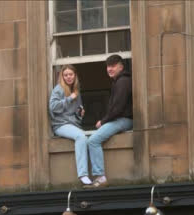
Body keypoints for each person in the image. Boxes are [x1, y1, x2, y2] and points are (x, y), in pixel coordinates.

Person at [86, 55, 133, 188]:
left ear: (121, 67)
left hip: (124, 120)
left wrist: (103, 121)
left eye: (113, 65)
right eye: (108, 66)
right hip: (123, 119)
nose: (109, 68)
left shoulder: (123, 81)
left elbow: (118, 108)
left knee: (93, 140)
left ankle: (100, 177)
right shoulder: (119, 81)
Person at [49, 65, 92, 186]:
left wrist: (80, 113)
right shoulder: (59, 89)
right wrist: (68, 99)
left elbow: (76, 112)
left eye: (71, 74)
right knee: (81, 137)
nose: (68, 77)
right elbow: (53, 107)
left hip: (73, 124)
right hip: (60, 125)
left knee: (87, 139)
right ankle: (83, 175)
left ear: (75, 75)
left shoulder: (76, 90)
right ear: (62, 77)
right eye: (66, 75)